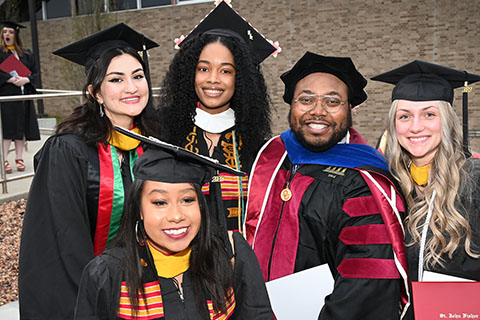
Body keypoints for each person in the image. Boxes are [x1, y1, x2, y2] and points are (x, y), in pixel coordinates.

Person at [244, 52, 409, 319]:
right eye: (306, 100)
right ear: (292, 105)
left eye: (332, 101)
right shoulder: (272, 158)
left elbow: (367, 284)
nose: (317, 111)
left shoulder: (362, 179)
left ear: (349, 109)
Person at [18, 23, 158, 320]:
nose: (132, 88)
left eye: (138, 76)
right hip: (94, 298)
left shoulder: (155, 144)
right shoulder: (68, 151)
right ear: (96, 92)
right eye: (116, 79)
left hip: (151, 294)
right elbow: (61, 248)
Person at [74, 129, 274, 319]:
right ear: (139, 210)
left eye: (187, 200)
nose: (176, 216)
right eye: (160, 202)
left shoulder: (231, 255)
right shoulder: (107, 274)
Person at [158, 1, 279, 231]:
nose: (213, 79)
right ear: (189, 74)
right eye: (203, 69)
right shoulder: (163, 134)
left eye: (226, 71)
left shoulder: (256, 145)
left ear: (240, 78)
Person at [372, 60, 480, 317]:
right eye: (405, 116)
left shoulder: (474, 182)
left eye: (429, 114)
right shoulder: (385, 184)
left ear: (447, 120)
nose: (416, 126)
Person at [0, 21, 40, 173]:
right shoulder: (0, 53)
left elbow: (35, 72)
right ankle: (4, 160)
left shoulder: (26, 54)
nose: (7, 35)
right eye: (5, 32)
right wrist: (9, 79)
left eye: (10, 32)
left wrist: (27, 80)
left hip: (23, 96)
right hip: (6, 97)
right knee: (7, 129)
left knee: (21, 129)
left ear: (15, 35)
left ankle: (19, 157)